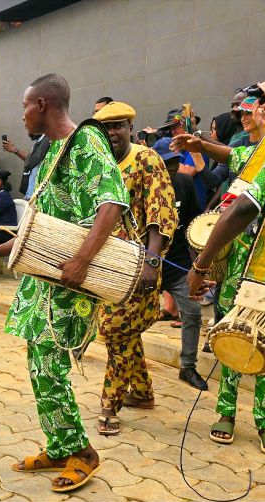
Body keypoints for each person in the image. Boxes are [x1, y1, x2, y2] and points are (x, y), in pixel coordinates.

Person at [0, 74, 129, 493]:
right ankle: (61, 445)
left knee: (51, 362)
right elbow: (42, 225)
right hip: (46, 278)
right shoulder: (52, 150)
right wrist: (1, 252)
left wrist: (81, 260)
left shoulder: (86, 142)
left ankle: (82, 453)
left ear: (41, 104)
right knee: (39, 362)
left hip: (70, 279)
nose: (22, 113)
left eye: (25, 105)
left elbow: (112, 201)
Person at [175, 89, 265, 454]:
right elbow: (235, 154)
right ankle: (227, 412)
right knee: (231, 333)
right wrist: (199, 143)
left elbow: (241, 210)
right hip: (245, 264)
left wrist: (199, 265)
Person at [93, 102, 177, 435]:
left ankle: (110, 405)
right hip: (106, 267)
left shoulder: (146, 160)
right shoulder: (99, 165)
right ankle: (141, 393)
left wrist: (152, 263)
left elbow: (161, 209)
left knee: (115, 330)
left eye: (118, 126)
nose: (111, 133)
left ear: (130, 126)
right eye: (106, 127)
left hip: (140, 265)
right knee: (124, 332)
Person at [153, 137, 206, 389]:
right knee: (123, 312)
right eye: (165, 163)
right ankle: (85, 345)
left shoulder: (184, 183)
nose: (170, 168)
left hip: (177, 265)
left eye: (174, 162)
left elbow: (195, 224)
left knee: (193, 311)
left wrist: (197, 265)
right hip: (147, 265)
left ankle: (188, 367)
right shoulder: (145, 187)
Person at [3, 134, 51, 199]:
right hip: (31, 193)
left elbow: (31, 161)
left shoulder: (46, 140)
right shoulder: (39, 141)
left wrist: (15, 150)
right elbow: (31, 160)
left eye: (28, 126)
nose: (28, 131)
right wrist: (15, 150)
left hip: (37, 195)